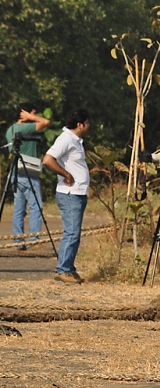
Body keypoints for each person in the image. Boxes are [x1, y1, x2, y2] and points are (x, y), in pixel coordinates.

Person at [43, 109, 91, 284]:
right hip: (69, 194)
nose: (88, 126)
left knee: (74, 233)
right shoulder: (66, 139)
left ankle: (69, 268)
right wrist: (65, 173)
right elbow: (48, 159)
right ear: (80, 124)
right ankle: (63, 269)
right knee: (72, 233)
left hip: (77, 193)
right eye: (87, 123)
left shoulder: (76, 141)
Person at [5, 103, 51, 248]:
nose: (35, 117)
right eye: (33, 113)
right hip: (29, 173)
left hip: (15, 173)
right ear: (24, 113)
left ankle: (18, 240)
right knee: (36, 206)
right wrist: (30, 116)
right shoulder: (26, 127)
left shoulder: (10, 130)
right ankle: (34, 239)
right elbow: (45, 122)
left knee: (19, 207)